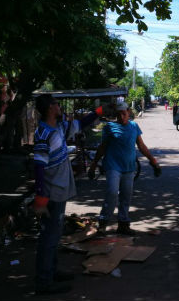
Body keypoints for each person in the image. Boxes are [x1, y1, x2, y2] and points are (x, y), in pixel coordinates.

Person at [32, 94, 102, 295]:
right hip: (51, 191)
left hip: (58, 191)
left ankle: (52, 272)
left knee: (54, 234)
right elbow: (38, 166)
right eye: (55, 103)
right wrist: (40, 196)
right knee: (49, 237)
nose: (59, 106)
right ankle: (44, 282)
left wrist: (99, 112)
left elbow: (81, 123)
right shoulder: (44, 133)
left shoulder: (59, 128)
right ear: (49, 108)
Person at [88, 101, 161, 236]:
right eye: (118, 114)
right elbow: (102, 147)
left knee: (126, 196)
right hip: (112, 166)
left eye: (123, 113)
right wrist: (93, 165)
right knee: (112, 192)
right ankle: (103, 223)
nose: (121, 117)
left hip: (128, 167)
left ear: (128, 112)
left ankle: (123, 224)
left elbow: (141, 146)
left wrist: (153, 161)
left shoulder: (134, 126)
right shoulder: (109, 127)